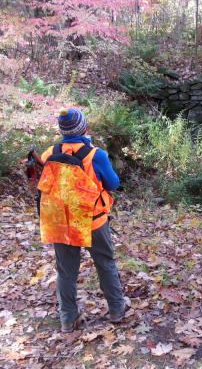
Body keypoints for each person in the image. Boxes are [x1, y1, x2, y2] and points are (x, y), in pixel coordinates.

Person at [38, 108, 125, 333]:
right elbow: (113, 184)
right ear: (84, 128)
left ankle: (68, 319)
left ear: (62, 130)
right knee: (105, 263)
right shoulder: (95, 155)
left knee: (65, 271)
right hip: (92, 220)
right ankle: (116, 310)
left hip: (61, 222)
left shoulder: (49, 153)